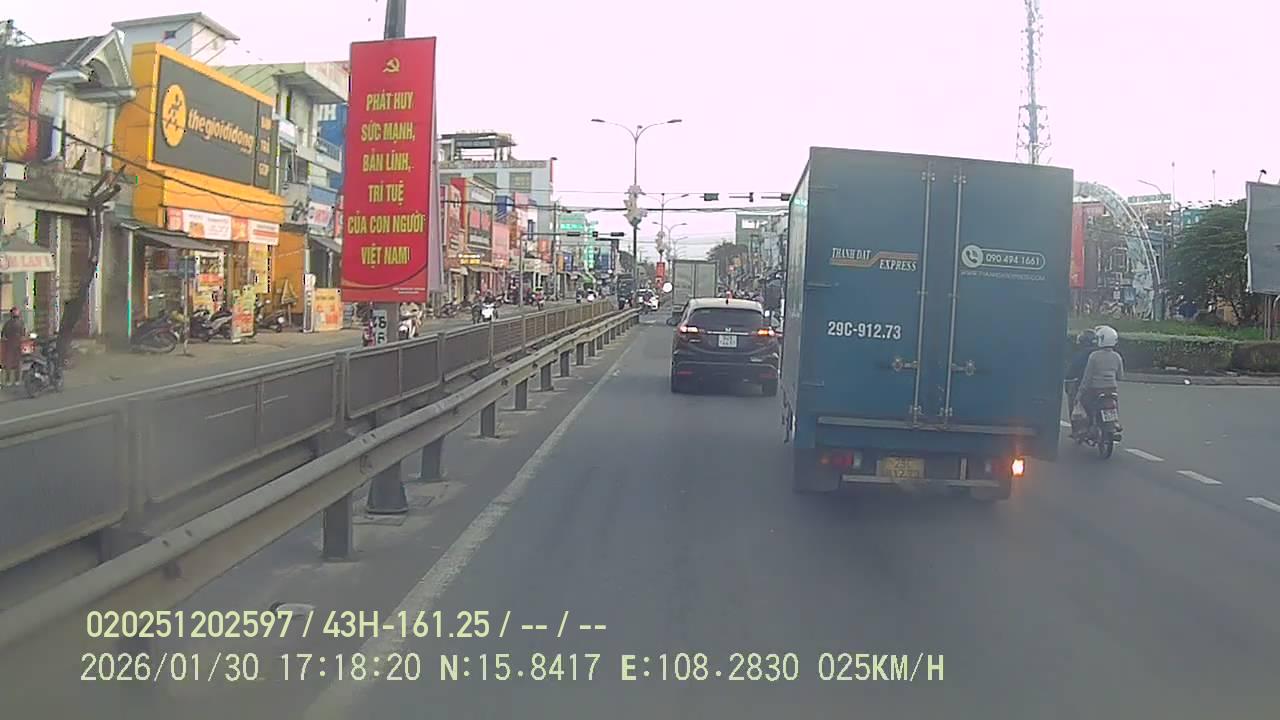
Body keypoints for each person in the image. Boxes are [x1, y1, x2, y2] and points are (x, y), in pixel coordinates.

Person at [1077, 325, 1124, 429]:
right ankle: (1115, 422)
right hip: (1112, 388)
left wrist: (1080, 393)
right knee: (1114, 404)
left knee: (1086, 403)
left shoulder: (1094, 356)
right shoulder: (1117, 356)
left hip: (1096, 388)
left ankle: (1091, 424)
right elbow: (1120, 376)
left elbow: (1087, 377)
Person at [2, 308, 26, 387]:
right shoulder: (21, 323)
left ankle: (8, 380)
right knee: (18, 362)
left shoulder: (7, 323)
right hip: (18, 344)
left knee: (8, 362)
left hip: (9, 344)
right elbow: (23, 333)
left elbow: (3, 334)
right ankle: (17, 380)